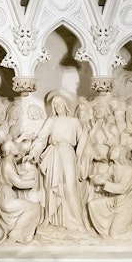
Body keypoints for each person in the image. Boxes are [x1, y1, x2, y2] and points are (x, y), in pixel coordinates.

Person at [28, 90, 89, 232]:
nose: (58, 106)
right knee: (51, 187)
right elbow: (41, 139)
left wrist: (79, 156)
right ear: (53, 107)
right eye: (55, 104)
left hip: (68, 153)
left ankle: (78, 222)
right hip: (54, 154)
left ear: (65, 105)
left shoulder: (74, 122)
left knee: (70, 186)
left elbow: (83, 139)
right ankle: (49, 219)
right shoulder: (51, 121)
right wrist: (33, 153)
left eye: (60, 103)